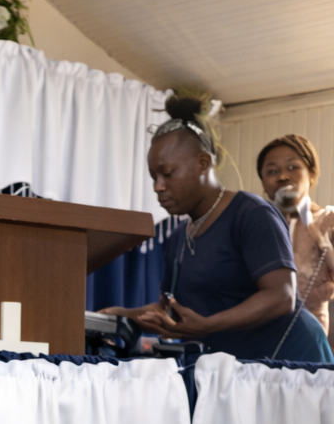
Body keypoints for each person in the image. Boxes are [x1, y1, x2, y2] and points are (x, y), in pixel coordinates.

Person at [107, 94, 332, 363]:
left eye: (167, 173)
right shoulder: (179, 236)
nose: (158, 186)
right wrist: (115, 316)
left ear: (203, 163)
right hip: (234, 369)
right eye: (154, 177)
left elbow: (280, 296)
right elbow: (169, 310)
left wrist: (209, 325)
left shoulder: (251, 213)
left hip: (290, 361)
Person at [257, 134, 334, 342]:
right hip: (261, 340)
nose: (282, 176)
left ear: (311, 174)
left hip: (316, 341)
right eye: (272, 171)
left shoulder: (330, 219)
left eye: (292, 167)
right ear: (264, 184)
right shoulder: (254, 226)